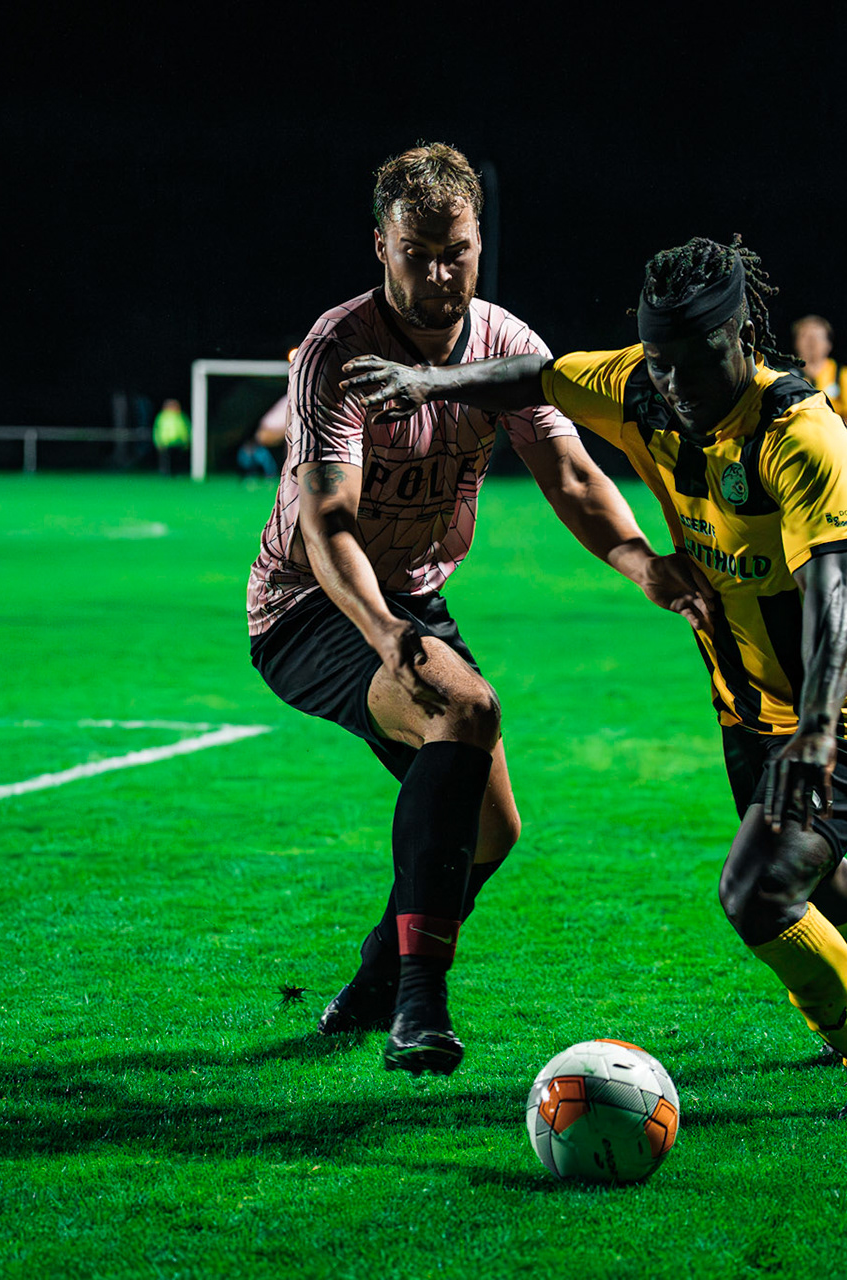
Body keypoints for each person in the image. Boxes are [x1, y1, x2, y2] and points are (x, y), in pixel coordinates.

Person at [341, 236, 847, 1119]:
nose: (678, 386)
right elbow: (532, 376)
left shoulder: (797, 431)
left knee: (761, 890)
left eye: (698, 363)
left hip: (843, 703)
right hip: (744, 701)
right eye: (662, 364)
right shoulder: (639, 383)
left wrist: (813, 736)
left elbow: (837, 601)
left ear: (743, 334)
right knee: (804, 863)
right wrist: (428, 384)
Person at [246, 144, 710, 1077]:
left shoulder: (505, 345)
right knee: (466, 707)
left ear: (479, 239)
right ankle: (421, 1009)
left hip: (413, 600)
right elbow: (329, 522)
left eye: (456, 250)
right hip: (313, 606)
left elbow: (572, 473)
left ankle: (378, 975)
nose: (440, 272)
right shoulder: (339, 351)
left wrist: (637, 562)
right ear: (380, 245)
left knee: (495, 833)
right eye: (417, 251)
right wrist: (386, 640)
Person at [792, 315, 847, 432]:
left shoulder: (842, 374)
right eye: (805, 336)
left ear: (828, 344)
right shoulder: (785, 374)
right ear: (795, 342)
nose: (812, 343)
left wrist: (831, 434)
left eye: (818, 337)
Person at [153, 398, 190, 475]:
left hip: (178, 442)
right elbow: (157, 430)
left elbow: (186, 429)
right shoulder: (162, 417)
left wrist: (186, 440)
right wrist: (158, 441)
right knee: (165, 459)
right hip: (165, 442)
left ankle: (176, 472)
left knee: (177, 459)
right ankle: (165, 472)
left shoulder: (181, 416)